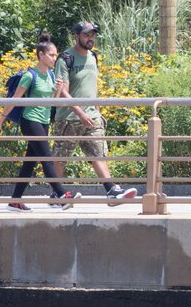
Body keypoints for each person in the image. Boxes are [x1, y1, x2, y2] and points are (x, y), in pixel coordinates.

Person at [53, 20, 139, 204]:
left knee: (98, 154)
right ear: (77, 36)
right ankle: (56, 194)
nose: (90, 38)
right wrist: (80, 113)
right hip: (69, 118)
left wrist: (97, 111)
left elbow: (93, 88)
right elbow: (62, 92)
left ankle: (111, 190)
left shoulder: (93, 57)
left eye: (92, 34)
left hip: (92, 117)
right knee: (61, 157)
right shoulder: (66, 58)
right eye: (86, 34)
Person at [0, 33, 78, 211]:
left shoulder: (52, 77)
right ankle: (61, 194)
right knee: (47, 158)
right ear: (41, 55)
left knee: (30, 162)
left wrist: (58, 90)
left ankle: (15, 200)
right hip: (30, 121)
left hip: (44, 121)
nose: (55, 58)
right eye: (52, 55)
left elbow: (51, 103)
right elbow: (14, 100)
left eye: (55, 55)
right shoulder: (30, 76)